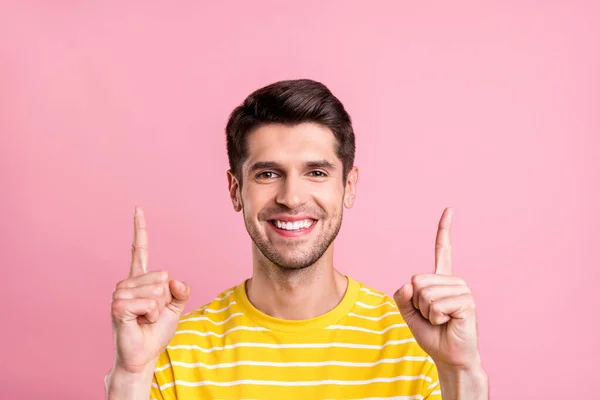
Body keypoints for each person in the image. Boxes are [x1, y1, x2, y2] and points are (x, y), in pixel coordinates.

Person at [105, 79, 489, 399]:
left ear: (349, 187)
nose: (291, 197)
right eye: (268, 174)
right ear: (235, 190)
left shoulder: (420, 345)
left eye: (317, 173)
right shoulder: (175, 351)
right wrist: (132, 374)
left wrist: (461, 371)